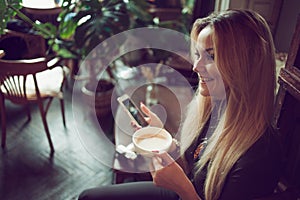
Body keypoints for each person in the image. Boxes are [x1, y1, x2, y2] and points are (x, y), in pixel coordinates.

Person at [78, 9, 283, 200]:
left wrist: (182, 188)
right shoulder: (216, 104)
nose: (196, 67)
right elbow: (192, 166)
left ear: (245, 64)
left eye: (211, 56)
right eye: (198, 54)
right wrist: (162, 138)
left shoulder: (261, 155)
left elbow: (190, 186)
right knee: (88, 197)